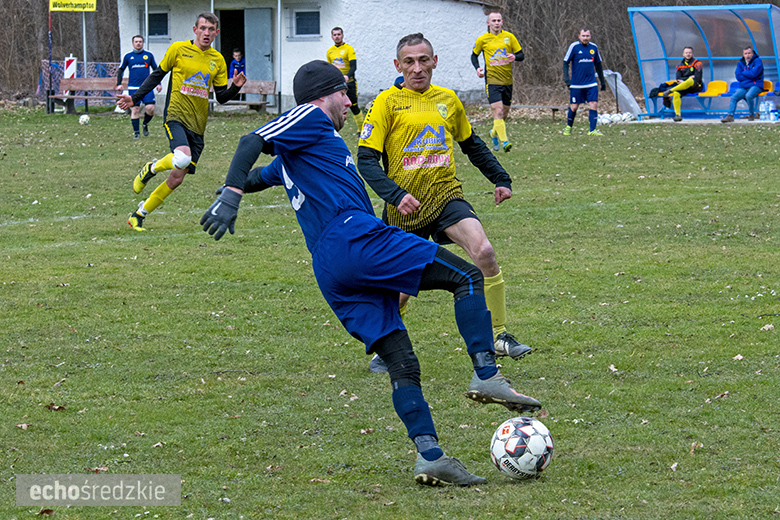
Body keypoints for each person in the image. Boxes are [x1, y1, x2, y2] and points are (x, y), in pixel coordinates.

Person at [200, 59, 542, 487]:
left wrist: (236, 185)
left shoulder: (306, 147)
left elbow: (263, 174)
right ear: (323, 95)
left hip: (330, 268)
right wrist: (230, 194)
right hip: (355, 238)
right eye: (343, 92)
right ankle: (487, 375)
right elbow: (252, 139)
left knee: (401, 362)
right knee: (468, 277)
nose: (348, 101)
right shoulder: (309, 115)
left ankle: (430, 457)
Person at [357, 33, 532, 374]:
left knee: (483, 251)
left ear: (435, 62)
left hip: (444, 195)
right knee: (401, 286)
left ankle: (497, 335)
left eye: (424, 60)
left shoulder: (448, 100)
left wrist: (500, 177)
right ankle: (385, 345)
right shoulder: (386, 103)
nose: (417, 68)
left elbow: (471, 143)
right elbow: (366, 161)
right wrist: (395, 195)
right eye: (409, 61)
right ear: (398, 65)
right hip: (404, 207)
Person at [117, 12, 246, 231]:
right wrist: (135, 98)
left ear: (217, 32)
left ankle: (138, 215)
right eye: (202, 28)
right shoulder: (178, 49)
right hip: (175, 115)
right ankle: (151, 167)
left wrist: (236, 87)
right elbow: (157, 75)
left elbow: (221, 97)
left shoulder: (217, 60)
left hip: (198, 124)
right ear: (195, 30)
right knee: (182, 158)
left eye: (211, 29)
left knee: (177, 178)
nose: (206, 33)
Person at [471, 11, 523, 153]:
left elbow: (521, 55)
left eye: (498, 20)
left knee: (504, 115)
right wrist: (477, 69)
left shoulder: (509, 37)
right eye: (493, 20)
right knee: (498, 110)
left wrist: (514, 56)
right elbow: (473, 56)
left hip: (507, 81)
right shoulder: (483, 39)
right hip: (492, 81)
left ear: (502, 22)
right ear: (488, 23)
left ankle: (493, 133)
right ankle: (505, 141)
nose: (496, 23)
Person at [115, 35, 162, 139]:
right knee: (135, 109)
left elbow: (156, 70)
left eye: (140, 41)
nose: (138, 43)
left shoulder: (148, 55)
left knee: (150, 108)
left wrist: (159, 83)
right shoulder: (128, 56)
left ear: (143, 43)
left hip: (147, 88)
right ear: (133, 43)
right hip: (133, 87)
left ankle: (145, 124)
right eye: (136, 42)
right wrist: (119, 84)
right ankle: (136, 133)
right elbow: (121, 69)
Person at [562, 29, 606, 136]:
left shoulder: (594, 47)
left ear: (590, 36)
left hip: (591, 83)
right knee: (574, 107)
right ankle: (568, 127)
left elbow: (598, 65)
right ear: (579, 36)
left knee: (593, 104)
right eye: (583, 36)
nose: (585, 38)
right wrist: (567, 80)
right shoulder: (574, 47)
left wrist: (602, 81)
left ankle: (592, 130)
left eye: (587, 36)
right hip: (576, 84)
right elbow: (565, 62)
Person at [326, 27, 363, 132]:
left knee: (354, 106)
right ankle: (333, 129)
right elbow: (330, 68)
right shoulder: (330, 51)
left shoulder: (349, 49)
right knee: (333, 106)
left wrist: (347, 76)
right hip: (336, 84)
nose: (337, 37)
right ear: (332, 37)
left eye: (339, 34)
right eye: (335, 35)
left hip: (349, 83)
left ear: (342, 35)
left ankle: (361, 130)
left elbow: (353, 67)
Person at [721, 47, 764, 123]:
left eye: (749, 53)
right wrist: (749, 74)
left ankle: (751, 114)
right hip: (744, 86)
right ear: (743, 54)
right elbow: (738, 75)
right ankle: (730, 116)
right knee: (734, 97)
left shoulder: (758, 61)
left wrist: (744, 73)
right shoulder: (741, 63)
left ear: (753, 54)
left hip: (756, 85)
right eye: (745, 53)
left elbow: (754, 73)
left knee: (749, 95)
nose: (747, 55)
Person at [662, 47, 703, 122]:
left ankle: (670, 90)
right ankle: (678, 115)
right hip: (684, 86)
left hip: (696, 86)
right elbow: (678, 79)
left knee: (691, 80)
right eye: (686, 53)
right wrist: (686, 79)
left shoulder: (697, 63)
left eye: (690, 53)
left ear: (692, 54)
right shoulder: (679, 65)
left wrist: (684, 79)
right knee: (676, 93)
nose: (688, 54)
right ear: (683, 54)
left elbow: (697, 77)